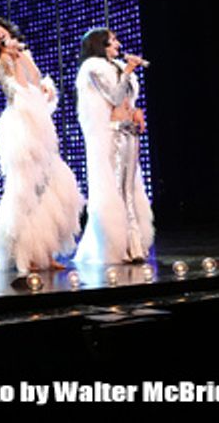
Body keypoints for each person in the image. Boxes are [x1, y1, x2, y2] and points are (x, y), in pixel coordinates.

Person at [0, 17, 84, 273]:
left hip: (40, 124)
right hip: (21, 127)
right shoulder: (1, 63)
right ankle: (24, 254)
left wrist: (42, 85)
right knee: (27, 189)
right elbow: (20, 90)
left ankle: (46, 252)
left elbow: (36, 80)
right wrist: (12, 58)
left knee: (51, 186)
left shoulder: (23, 53)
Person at [72, 28, 154, 264]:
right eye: (113, 40)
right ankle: (122, 247)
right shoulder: (92, 68)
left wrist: (136, 111)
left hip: (129, 131)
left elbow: (126, 99)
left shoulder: (116, 66)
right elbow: (114, 97)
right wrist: (128, 70)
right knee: (116, 188)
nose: (118, 44)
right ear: (101, 44)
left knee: (129, 189)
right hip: (112, 134)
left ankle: (134, 245)